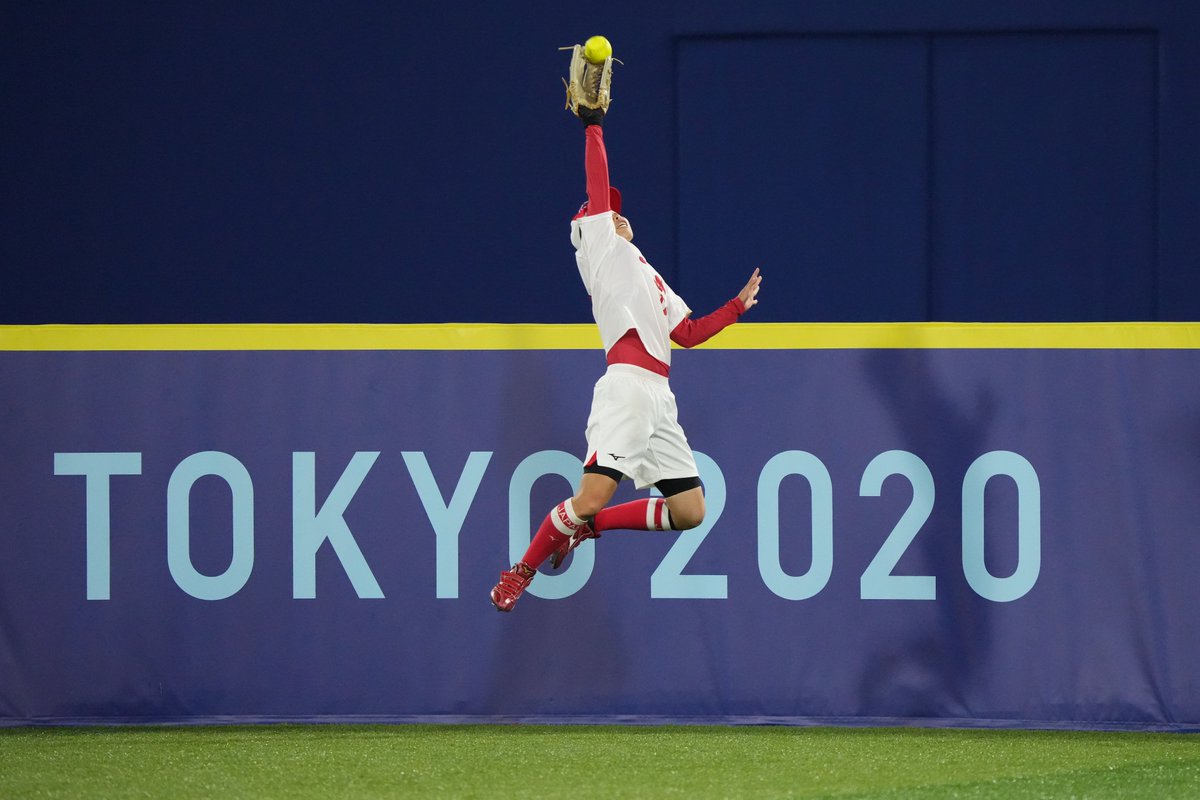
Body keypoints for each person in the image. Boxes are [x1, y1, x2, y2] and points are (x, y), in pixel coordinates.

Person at [490, 101, 762, 612]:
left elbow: (688, 332)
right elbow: (598, 182)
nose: (616, 212)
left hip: (660, 396)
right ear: (592, 223)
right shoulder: (602, 250)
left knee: (690, 510)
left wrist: (735, 308)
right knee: (589, 494)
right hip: (626, 386)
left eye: (615, 209)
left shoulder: (650, 274)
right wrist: (593, 126)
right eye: (606, 210)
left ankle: (591, 527)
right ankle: (521, 570)